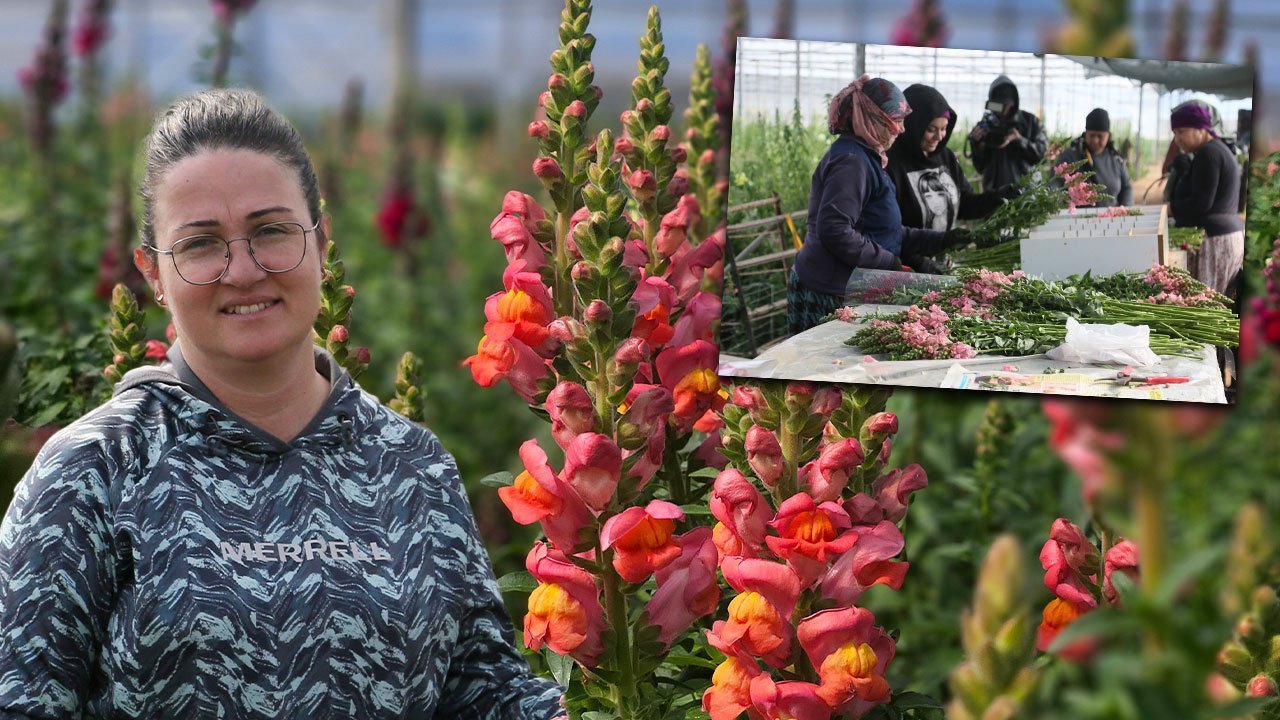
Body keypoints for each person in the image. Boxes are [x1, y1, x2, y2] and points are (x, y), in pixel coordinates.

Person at [0, 89, 565, 719]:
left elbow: (486, 691)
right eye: (200, 244)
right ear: (152, 273)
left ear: (322, 245)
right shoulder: (93, 470)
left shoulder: (410, 464)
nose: (242, 270)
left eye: (270, 231)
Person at [789, 75, 969, 334]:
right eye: (896, 122)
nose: (903, 130)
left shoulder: (868, 156)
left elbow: (886, 231)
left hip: (848, 283)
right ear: (873, 120)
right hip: (830, 289)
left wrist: (943, 239)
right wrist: (887, 261)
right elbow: (835, 229)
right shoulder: (852, 162)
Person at [886, 84, 1013, 272]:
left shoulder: (945, 157)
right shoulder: (891, 163)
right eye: (931, 129)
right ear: (913, 125)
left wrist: (997, 197)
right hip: (906, 269)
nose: (938, 137)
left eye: (944, 129)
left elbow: (964, 204)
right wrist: (915, 260)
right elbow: (886, 230)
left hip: (944, 265)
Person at [1168, 101, 1244, 297]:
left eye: (1181, 131)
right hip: (1224, 236)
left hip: (1215, 241)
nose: (1177, 139)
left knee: (1206, 304)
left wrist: (1171, 209)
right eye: (1174, 133)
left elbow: (1201, 203)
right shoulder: (1215, 150)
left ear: (1201, 128)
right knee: (1216, 302)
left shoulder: (1208, 154)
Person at [967, 75, 1048, 193]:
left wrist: (1020, 140)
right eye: (998, 105)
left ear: (1014, 103)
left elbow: (1044, 155)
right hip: (994, 195)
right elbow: (980, 167)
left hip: (1027, 194)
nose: (1003, 110)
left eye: (1006, 105)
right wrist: (977, 146)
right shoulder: (985, 125)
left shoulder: (1031, 122)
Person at [1053, 108, 1132, 207]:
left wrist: (1125, 208)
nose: (1095, 140)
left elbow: (1126, 187)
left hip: (1110, 217)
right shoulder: (1070, 156)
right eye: (1091, 135)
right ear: (1085, 134)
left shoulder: (1116, 159)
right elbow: (1055, 182)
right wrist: (1055, 199)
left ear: (1108, 136)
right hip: (1077, 219)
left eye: (1100, 136)